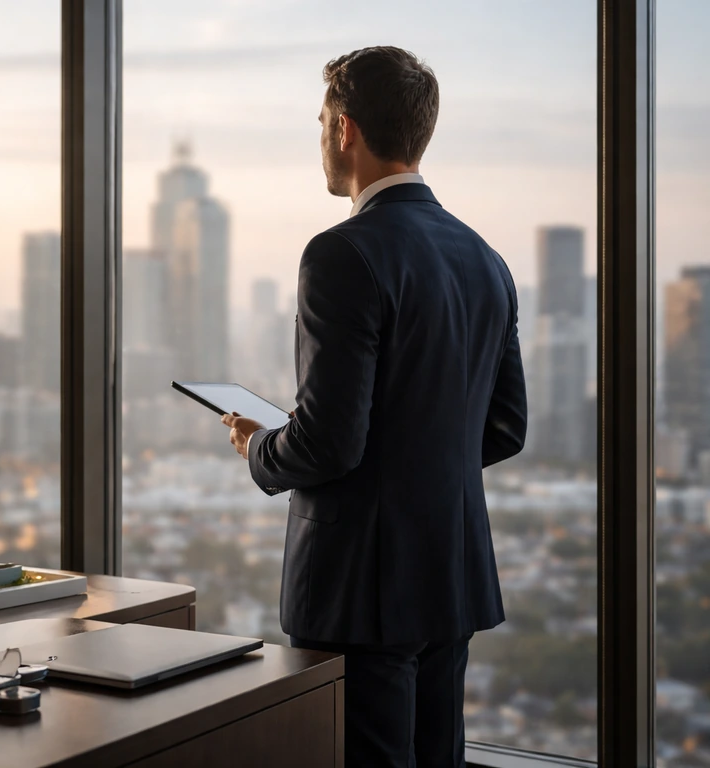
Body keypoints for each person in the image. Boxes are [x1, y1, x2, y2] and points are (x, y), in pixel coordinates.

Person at [220, 46, 527, 768]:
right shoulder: (485, 259)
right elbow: (506, 427)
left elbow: (329, 445)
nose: (322, 136)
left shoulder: (341, 255)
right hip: (450, 572)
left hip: (360, 584)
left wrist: (260, 446)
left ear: (343, 130)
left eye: (322, 118)